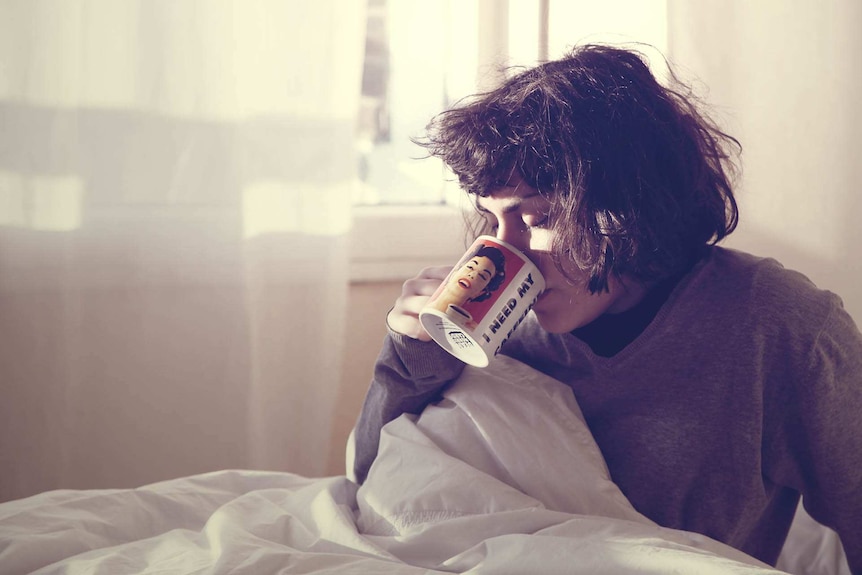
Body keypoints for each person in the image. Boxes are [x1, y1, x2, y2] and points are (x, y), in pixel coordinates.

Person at [352, 44, 862, 571]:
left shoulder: (779, 327)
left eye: (538, 217)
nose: (508, 250)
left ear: (629, 208)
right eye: (493, 218)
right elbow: (374, 490)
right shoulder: (505, 328)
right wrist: (410, 360)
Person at [424, 243, 507, 325]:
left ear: (481, 293)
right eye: (470, 267)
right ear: (454, 272)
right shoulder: (424, 309)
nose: (473, 275)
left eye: (482, 276)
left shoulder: (472, 328)